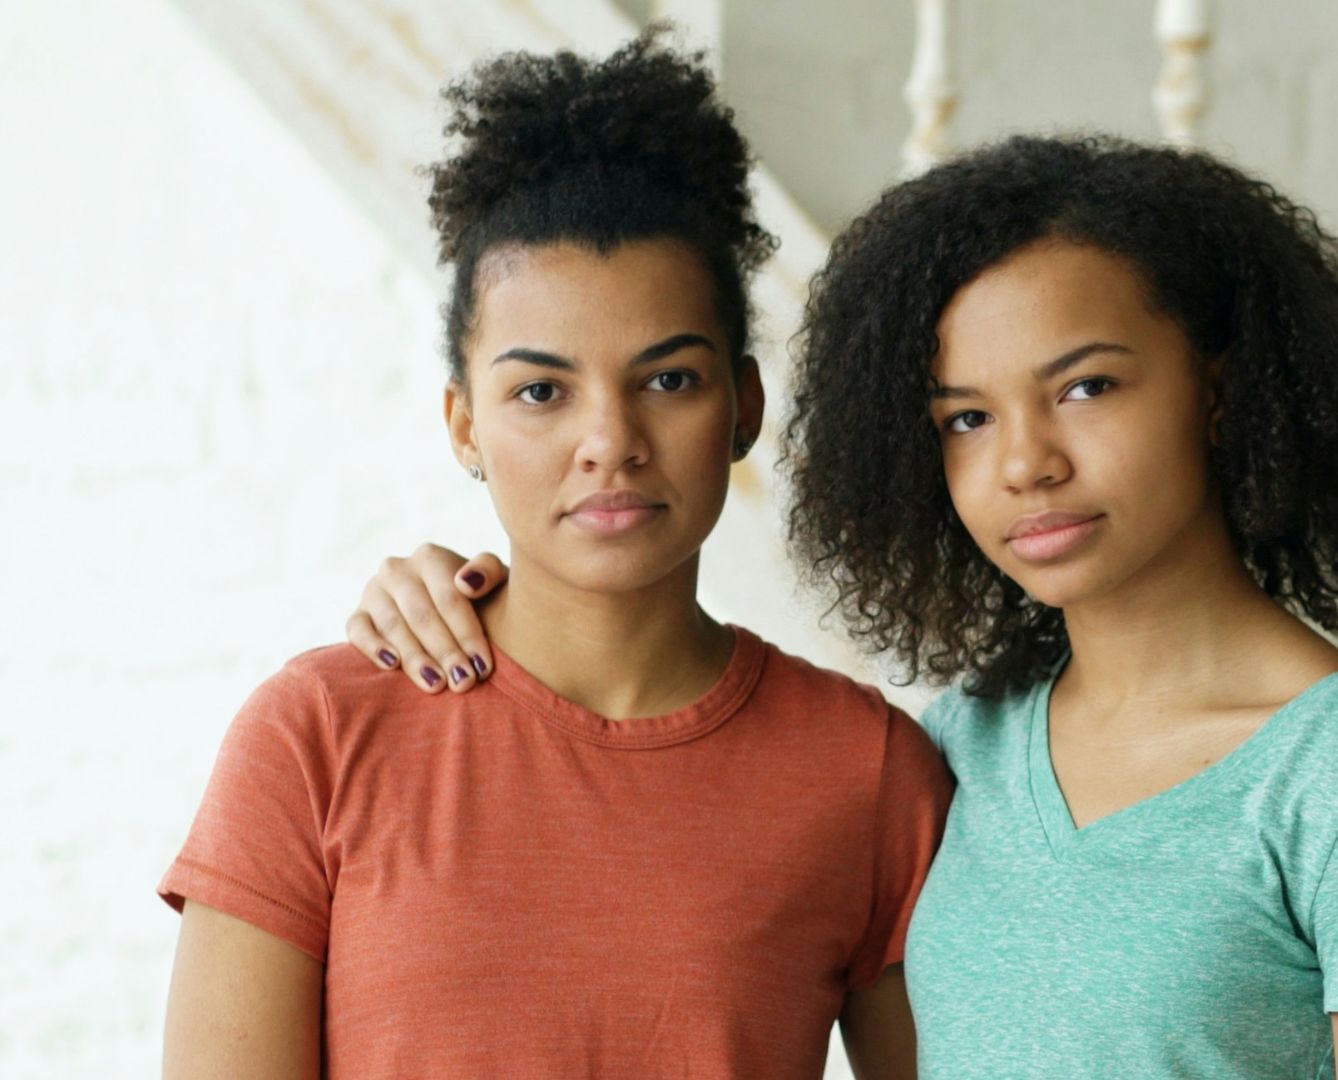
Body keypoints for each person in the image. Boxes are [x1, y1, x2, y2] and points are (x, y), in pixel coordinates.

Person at [351, 135, 1338, 1079]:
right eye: (967, 418)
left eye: (1086, 387)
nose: (1025, 464)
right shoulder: (968, 744)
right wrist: (453, 596)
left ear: (1221, 388)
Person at [158, 34, 947, 1079]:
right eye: (541, 391)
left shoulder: (867, 772)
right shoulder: (317, 737)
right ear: (464, 424)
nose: (609, 439)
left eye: (669, 380)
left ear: (744, 405)